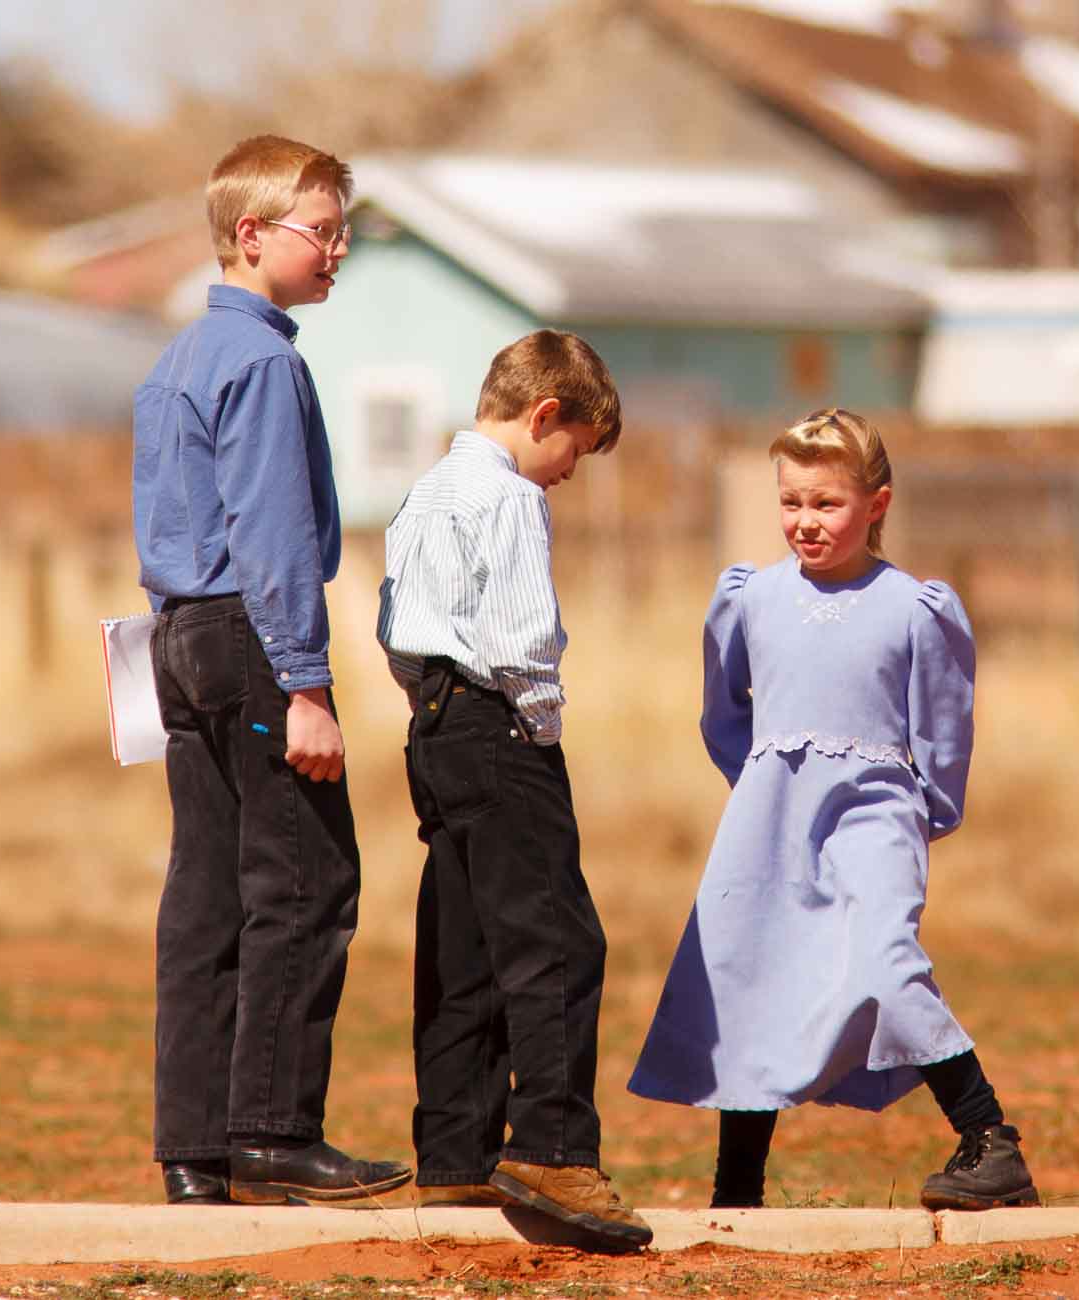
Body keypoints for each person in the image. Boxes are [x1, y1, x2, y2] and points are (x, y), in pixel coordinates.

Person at [628, 408, 1039, 1212]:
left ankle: (989, 1140)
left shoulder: (913, 607)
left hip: (874, 818)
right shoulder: (751, 598)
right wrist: (762, 785)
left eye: (826, 504)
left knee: (886, 962)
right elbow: (724, 718)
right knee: (753, 978)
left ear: (876, 505)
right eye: (791, 503)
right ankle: (736, 1192)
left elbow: (945, 731)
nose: (805, 523)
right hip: (767, 822)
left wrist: (925, 813)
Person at [134, 134, 410, 1207]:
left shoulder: (178, 361)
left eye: (343, 230)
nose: (338, 249)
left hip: (183, 636)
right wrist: (303, 685)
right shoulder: (262, 362)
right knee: (305, 878)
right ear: (253, 236)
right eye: (322, 231)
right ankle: (273, 1130)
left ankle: (194, 1151)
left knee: (204, 893)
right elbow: (273, 537)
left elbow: (173, 526)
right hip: (255, 640)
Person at [377, 329, 651, 1249]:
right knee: (558, 943)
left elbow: (394, 625)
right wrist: (540, 726)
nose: (571, 470)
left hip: (433, 726)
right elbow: (523, 635)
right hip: (498, 727)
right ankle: (554, 1150)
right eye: (575, 448)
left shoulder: (425, 493)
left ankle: (454, 1154)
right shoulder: (508, 496)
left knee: (465, 947)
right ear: (544, 416)